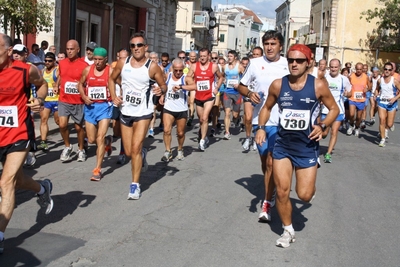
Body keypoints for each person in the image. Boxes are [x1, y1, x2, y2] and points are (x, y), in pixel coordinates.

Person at [255, 44, 339, 248]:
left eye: (299, 60)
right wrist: (261, 127)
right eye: (291, 60)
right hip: (282, 146)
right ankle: (288, 230)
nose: (294, 64)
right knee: (283, 192)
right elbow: (266, 107)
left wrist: (323, 125)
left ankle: (310, 187)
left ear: (308, 63)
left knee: (304, 195)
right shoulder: (278, 85)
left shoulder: (318, 86)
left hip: (306, 147)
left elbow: (334, 109)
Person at [0, 33, 54, 254]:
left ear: (9, 50)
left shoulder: (25, 70)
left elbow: (42, 85)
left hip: (18, 133)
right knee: (19, 180)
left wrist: (39, 100)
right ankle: (42, 188)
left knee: (7, 183)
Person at [237, 30, 289, 222]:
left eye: (273, 44)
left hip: (281, 122)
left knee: (270, 162)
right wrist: (249, 94)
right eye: (266, 43)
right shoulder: (256, 64)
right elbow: (241, 86)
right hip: (262, 121)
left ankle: (266, 202)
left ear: (280, 46)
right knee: (264, 163)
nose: (269, 47)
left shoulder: (287, 64)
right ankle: (272, 187)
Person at [109, 32, 167, 200]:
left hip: (143, 113)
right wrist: (114, 96)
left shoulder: (152, 67)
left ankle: (135, 185)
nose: (136, 48)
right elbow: (111, 79)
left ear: (145, 47)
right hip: (126, 112)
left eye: (139, 45)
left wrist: (160, 90)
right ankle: (142, 155)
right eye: (133, 46)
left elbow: (164, 85)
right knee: (128, 152)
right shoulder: (123, 63)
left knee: (135, 148)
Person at [78, 47, 113, 180]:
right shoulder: (87, 70)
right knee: (91, 139)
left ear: (105, 60)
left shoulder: (110, 71)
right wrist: (84, 96)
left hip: (105, 106)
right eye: (95, 59)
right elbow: (80, 84)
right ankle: (108, 142)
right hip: (90, 107)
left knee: (100, 138)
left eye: (100, 60)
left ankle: (97, 169)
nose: (97, 62)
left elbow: (121, 83)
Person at [55, 40, 89, 162]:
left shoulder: (84, 65)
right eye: (68, 49)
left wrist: (82, 89)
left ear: (78, 50)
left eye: (72, 49)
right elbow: (61, 75)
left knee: (79, 128)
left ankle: (81, 149)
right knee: (62, 124)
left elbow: (87, 82)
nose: (69, 51)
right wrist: (56, 85)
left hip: (78, 101)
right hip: (64, 99)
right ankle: (68, 146)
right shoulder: (62, 63)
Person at [186, 48, 224, 151]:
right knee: (201, 119)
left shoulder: (214, 66)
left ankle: (202, 140)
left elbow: (221, 77)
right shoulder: (194, 66)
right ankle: (204, 135)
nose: (202, 58)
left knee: (205, 117)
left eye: (204, 56)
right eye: (201, 56)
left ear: (208, 56)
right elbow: (188, 77)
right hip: (199, 96)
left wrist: (217, 88)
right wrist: (191, 83)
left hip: (209, 96)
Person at [160, 58, 192, 161]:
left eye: (180, 70)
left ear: (183, 69)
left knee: (180, 133)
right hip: (168, 108)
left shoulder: (185, 78)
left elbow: (195, 86)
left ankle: (180, 148)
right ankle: (168, 151)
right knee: (166, 130)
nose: (178, 72)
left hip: (181, 109)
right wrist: (162, 95)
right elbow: (163, 86)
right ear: (172, 68)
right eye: (176, 70)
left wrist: (181, 87)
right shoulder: (168, 76)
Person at [321, 59, 351, 163]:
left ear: (339, 67)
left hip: (338, 110)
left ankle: (328, 154)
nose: (333, 69)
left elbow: (350, 92)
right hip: (325, 110)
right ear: (329, 67)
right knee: (324, 133)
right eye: (332, 67)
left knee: (334, 132)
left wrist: (347, 94)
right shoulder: (324, 78)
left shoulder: (344, 79)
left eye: (336, 67)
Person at [242, 47, 263, 151]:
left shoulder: (264, 67)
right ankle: (248, 137)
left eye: (257, 54)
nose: (255, 56)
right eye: (254, 54)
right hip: (249, 95)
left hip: (260, 97)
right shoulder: (248, 67)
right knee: (248, 118)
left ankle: (256, 138)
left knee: (258, 119)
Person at [110, 49, 129, 164]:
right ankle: (109, 140)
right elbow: (111, 79)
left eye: (124, 58)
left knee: (123, 131)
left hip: (128, 105)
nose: (121, 60)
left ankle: (122, 153)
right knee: (116, 131)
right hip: (116, 102)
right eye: (119, 57)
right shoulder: (113, 69)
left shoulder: (132, 69)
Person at [38, 52, 60, 151]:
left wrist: (57, 84)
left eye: (50, 61)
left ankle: (65, 135)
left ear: (54, 61)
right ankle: (43, 142)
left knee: (58, 121)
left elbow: (62, 78)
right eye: (46, 61)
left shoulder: (57, 70)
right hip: (46, 100)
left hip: (57, 100)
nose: (47, 63)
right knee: (43, 119)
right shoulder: (42, 71)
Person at [375, 62, 400, 146]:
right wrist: (376, 95)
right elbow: (377, 89)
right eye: (385, 69)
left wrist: (394, 98)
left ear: (392, 71)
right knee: (382, 120)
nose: (387, 71)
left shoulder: (395, 81)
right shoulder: (380, 80)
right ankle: (382, 139)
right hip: (382, 102)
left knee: (389, 124)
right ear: (383, 69)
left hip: (391, 104)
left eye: (389, 70)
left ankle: (387, 128)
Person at [222, 50, 245, 140]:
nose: (229, 58)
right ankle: (227, 132)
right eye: (228, 56)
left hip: (237, 93)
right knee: (227, 113)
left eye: (231, 56)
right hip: (227, 92)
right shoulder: (225, 67)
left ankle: (237, 118)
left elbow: (245, 78)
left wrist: (239, 85)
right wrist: (224, 80)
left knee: (235, 114)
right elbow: (222, 76)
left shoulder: (239, 67)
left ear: (235, 57)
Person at [346, 62, 371, 137]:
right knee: (351, 114)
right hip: (352, 98)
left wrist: (367, 89)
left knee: (359, 117)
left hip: (361, 99)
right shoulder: (351, 76)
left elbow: (370, 86)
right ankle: (351, 126)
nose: (359, 71)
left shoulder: (366, 77)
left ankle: (357, 127)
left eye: (360, 69)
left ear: (363, 69)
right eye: (357, 69)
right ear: (355, 69)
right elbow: (347, 85)